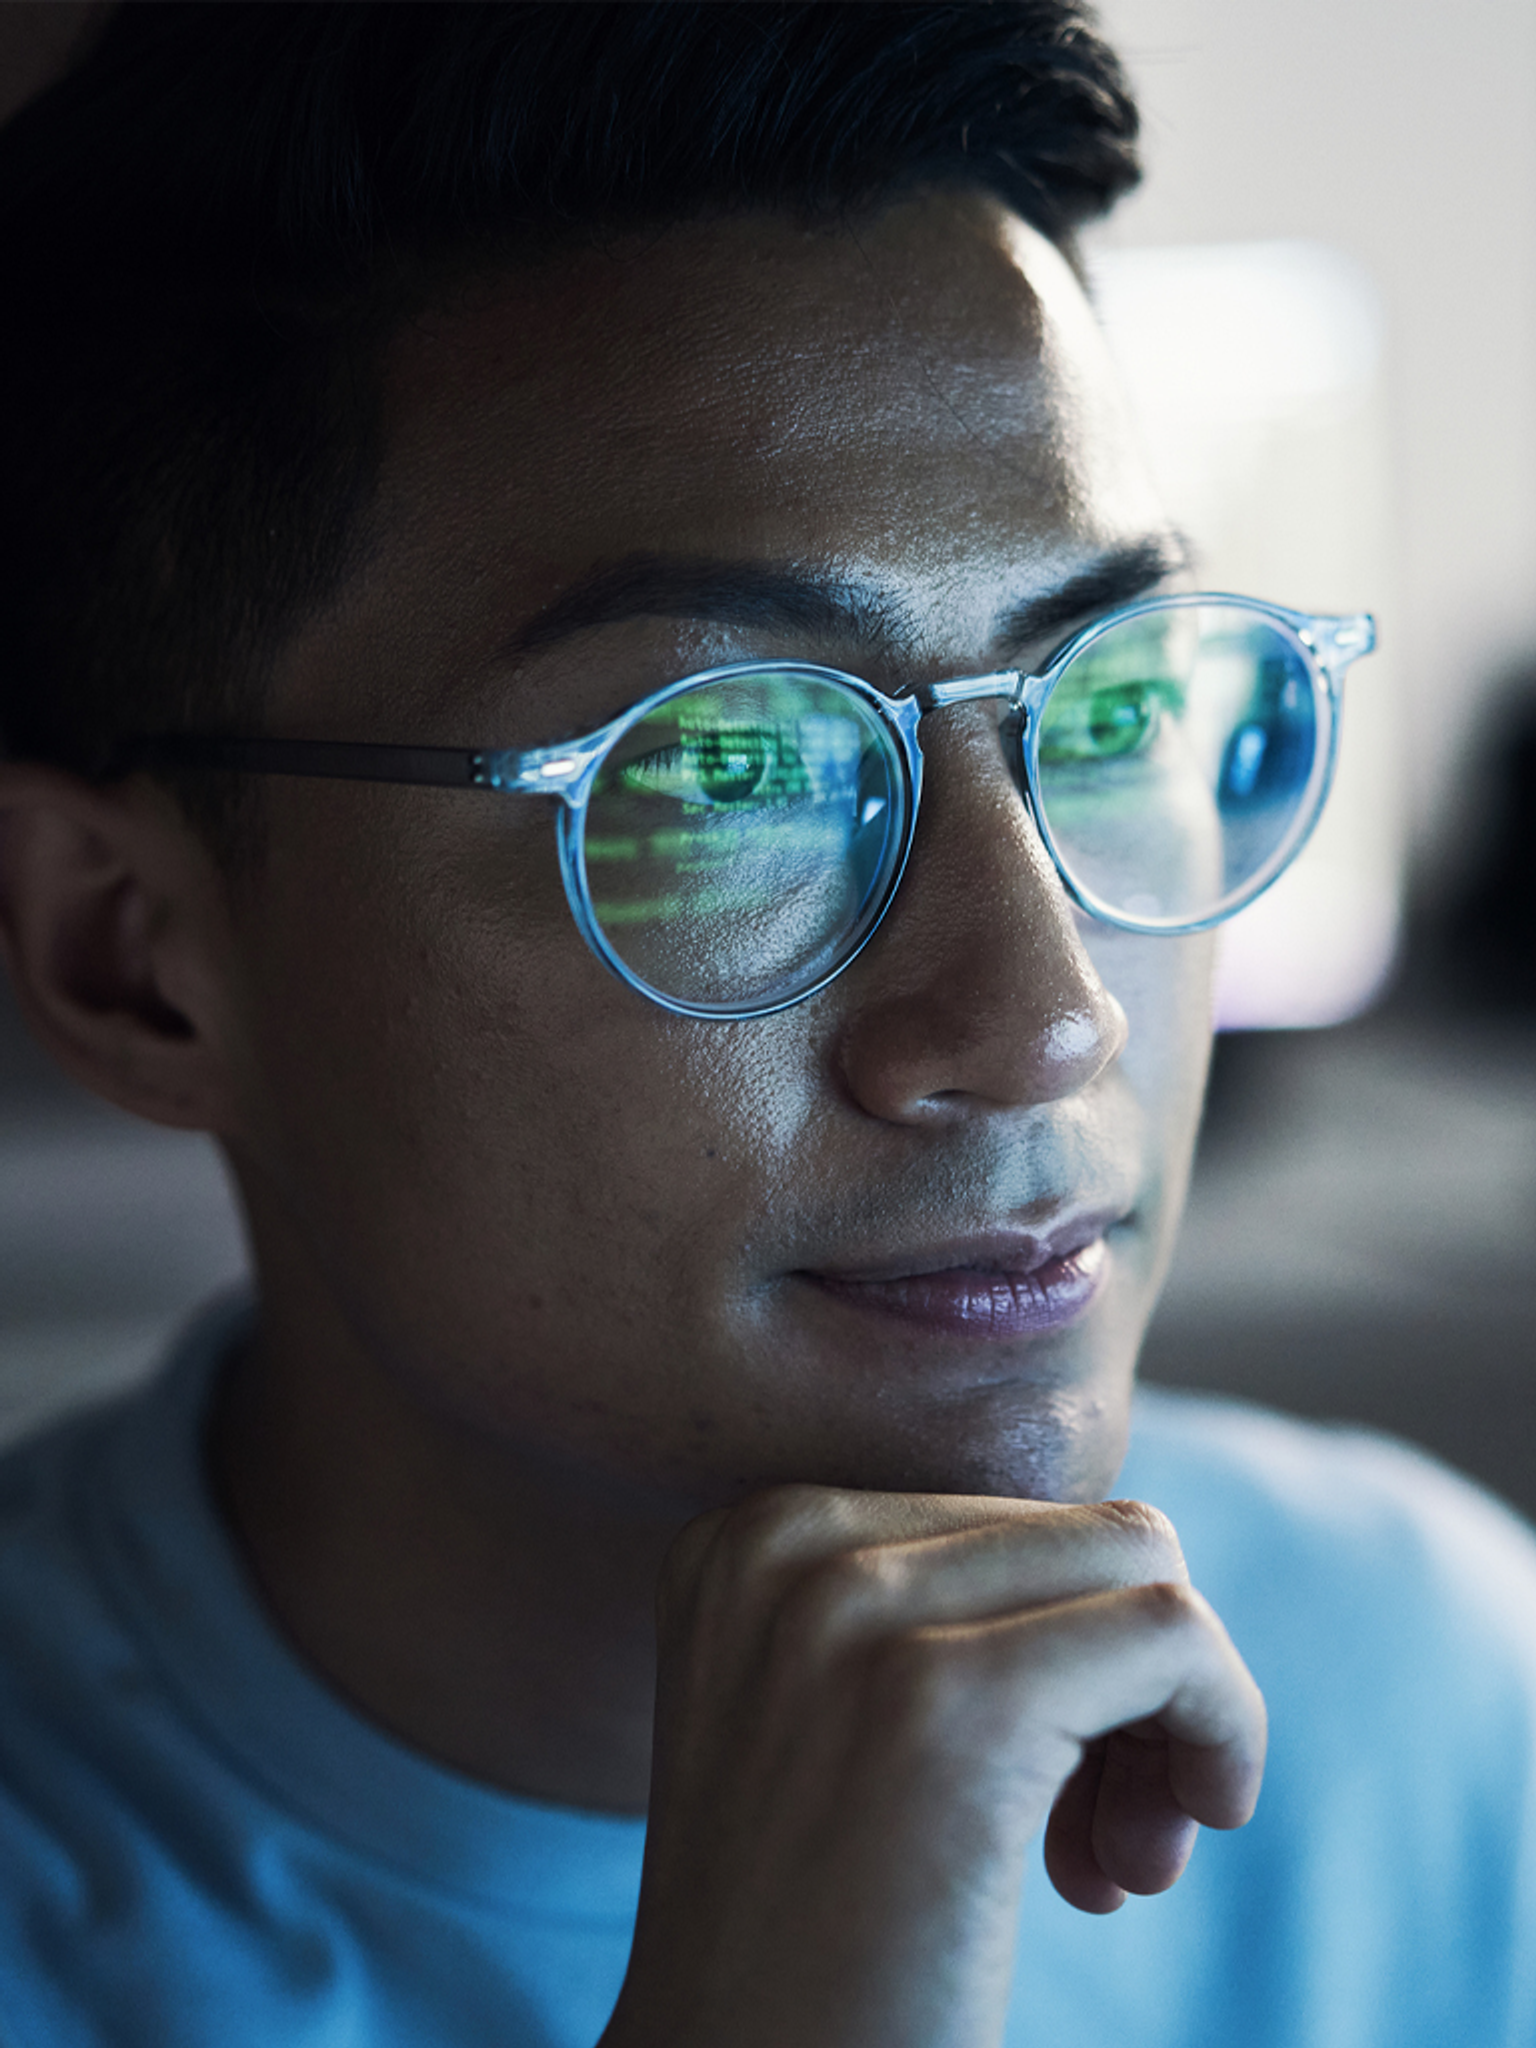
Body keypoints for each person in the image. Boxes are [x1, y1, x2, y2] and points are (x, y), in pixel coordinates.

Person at [0, 3, 1532, 2043]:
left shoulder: (1432, 1704)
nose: (1046, 1018)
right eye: (728, 776)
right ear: (135, 955)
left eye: (1117, 708)